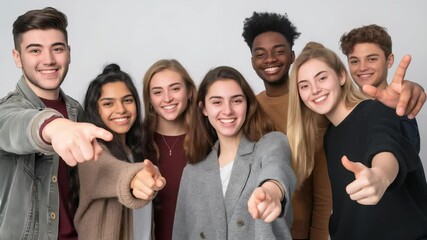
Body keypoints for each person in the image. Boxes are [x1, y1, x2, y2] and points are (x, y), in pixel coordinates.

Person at [287, 42, 427, 239]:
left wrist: (380, 176)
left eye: (322, 78)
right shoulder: (330, 136)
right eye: (304, 86)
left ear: (342, 76)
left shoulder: (374, 110)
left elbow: (386, 149)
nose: (315, 90)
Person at [0, 7, 112, 239]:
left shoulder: (75, 110)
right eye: (35, 50)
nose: (49, 60)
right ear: (17, 57)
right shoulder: (5, 111)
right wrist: (53, 126)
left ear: (68, 53)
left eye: (57, 49)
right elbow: (15, 127)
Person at [173, 66, 296, 239]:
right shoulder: (192, 171)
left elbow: (276, 169)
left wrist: (272, 191)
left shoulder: (271, 143)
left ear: (248, 104)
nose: (228, 110)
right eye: (217, 102)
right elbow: (181, 234)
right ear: (204, 108)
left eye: (236, 100)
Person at [242, 11, 331, 240]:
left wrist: (319, 234)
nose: (270, 59)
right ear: (252, 61)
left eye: (278, 52)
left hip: (303, 232)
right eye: (260, 54)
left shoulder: (312, 103)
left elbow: (323, 186)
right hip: (260, 231)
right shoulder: (248, 108)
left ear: (292, 56)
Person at [74, 64, 166, 240]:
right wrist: (137, 177)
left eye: (127, 100)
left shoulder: (137, 151)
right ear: (95, 109)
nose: (121, 109)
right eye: (108, 103)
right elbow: (112, 169)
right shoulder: (91, 152)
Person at [339, 24, 420, 153]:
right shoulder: (342, 108)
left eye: (371, 59)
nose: (362, 67)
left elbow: (408, 152)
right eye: (354, 61)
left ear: (389, 61)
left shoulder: (400, 107)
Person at [141, 59, 197, 240]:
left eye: (175, 88)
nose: (167, 98)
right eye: (158, 92)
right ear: (149, 99)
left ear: (189, 92)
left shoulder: (208, 139)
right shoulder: (137, 140)